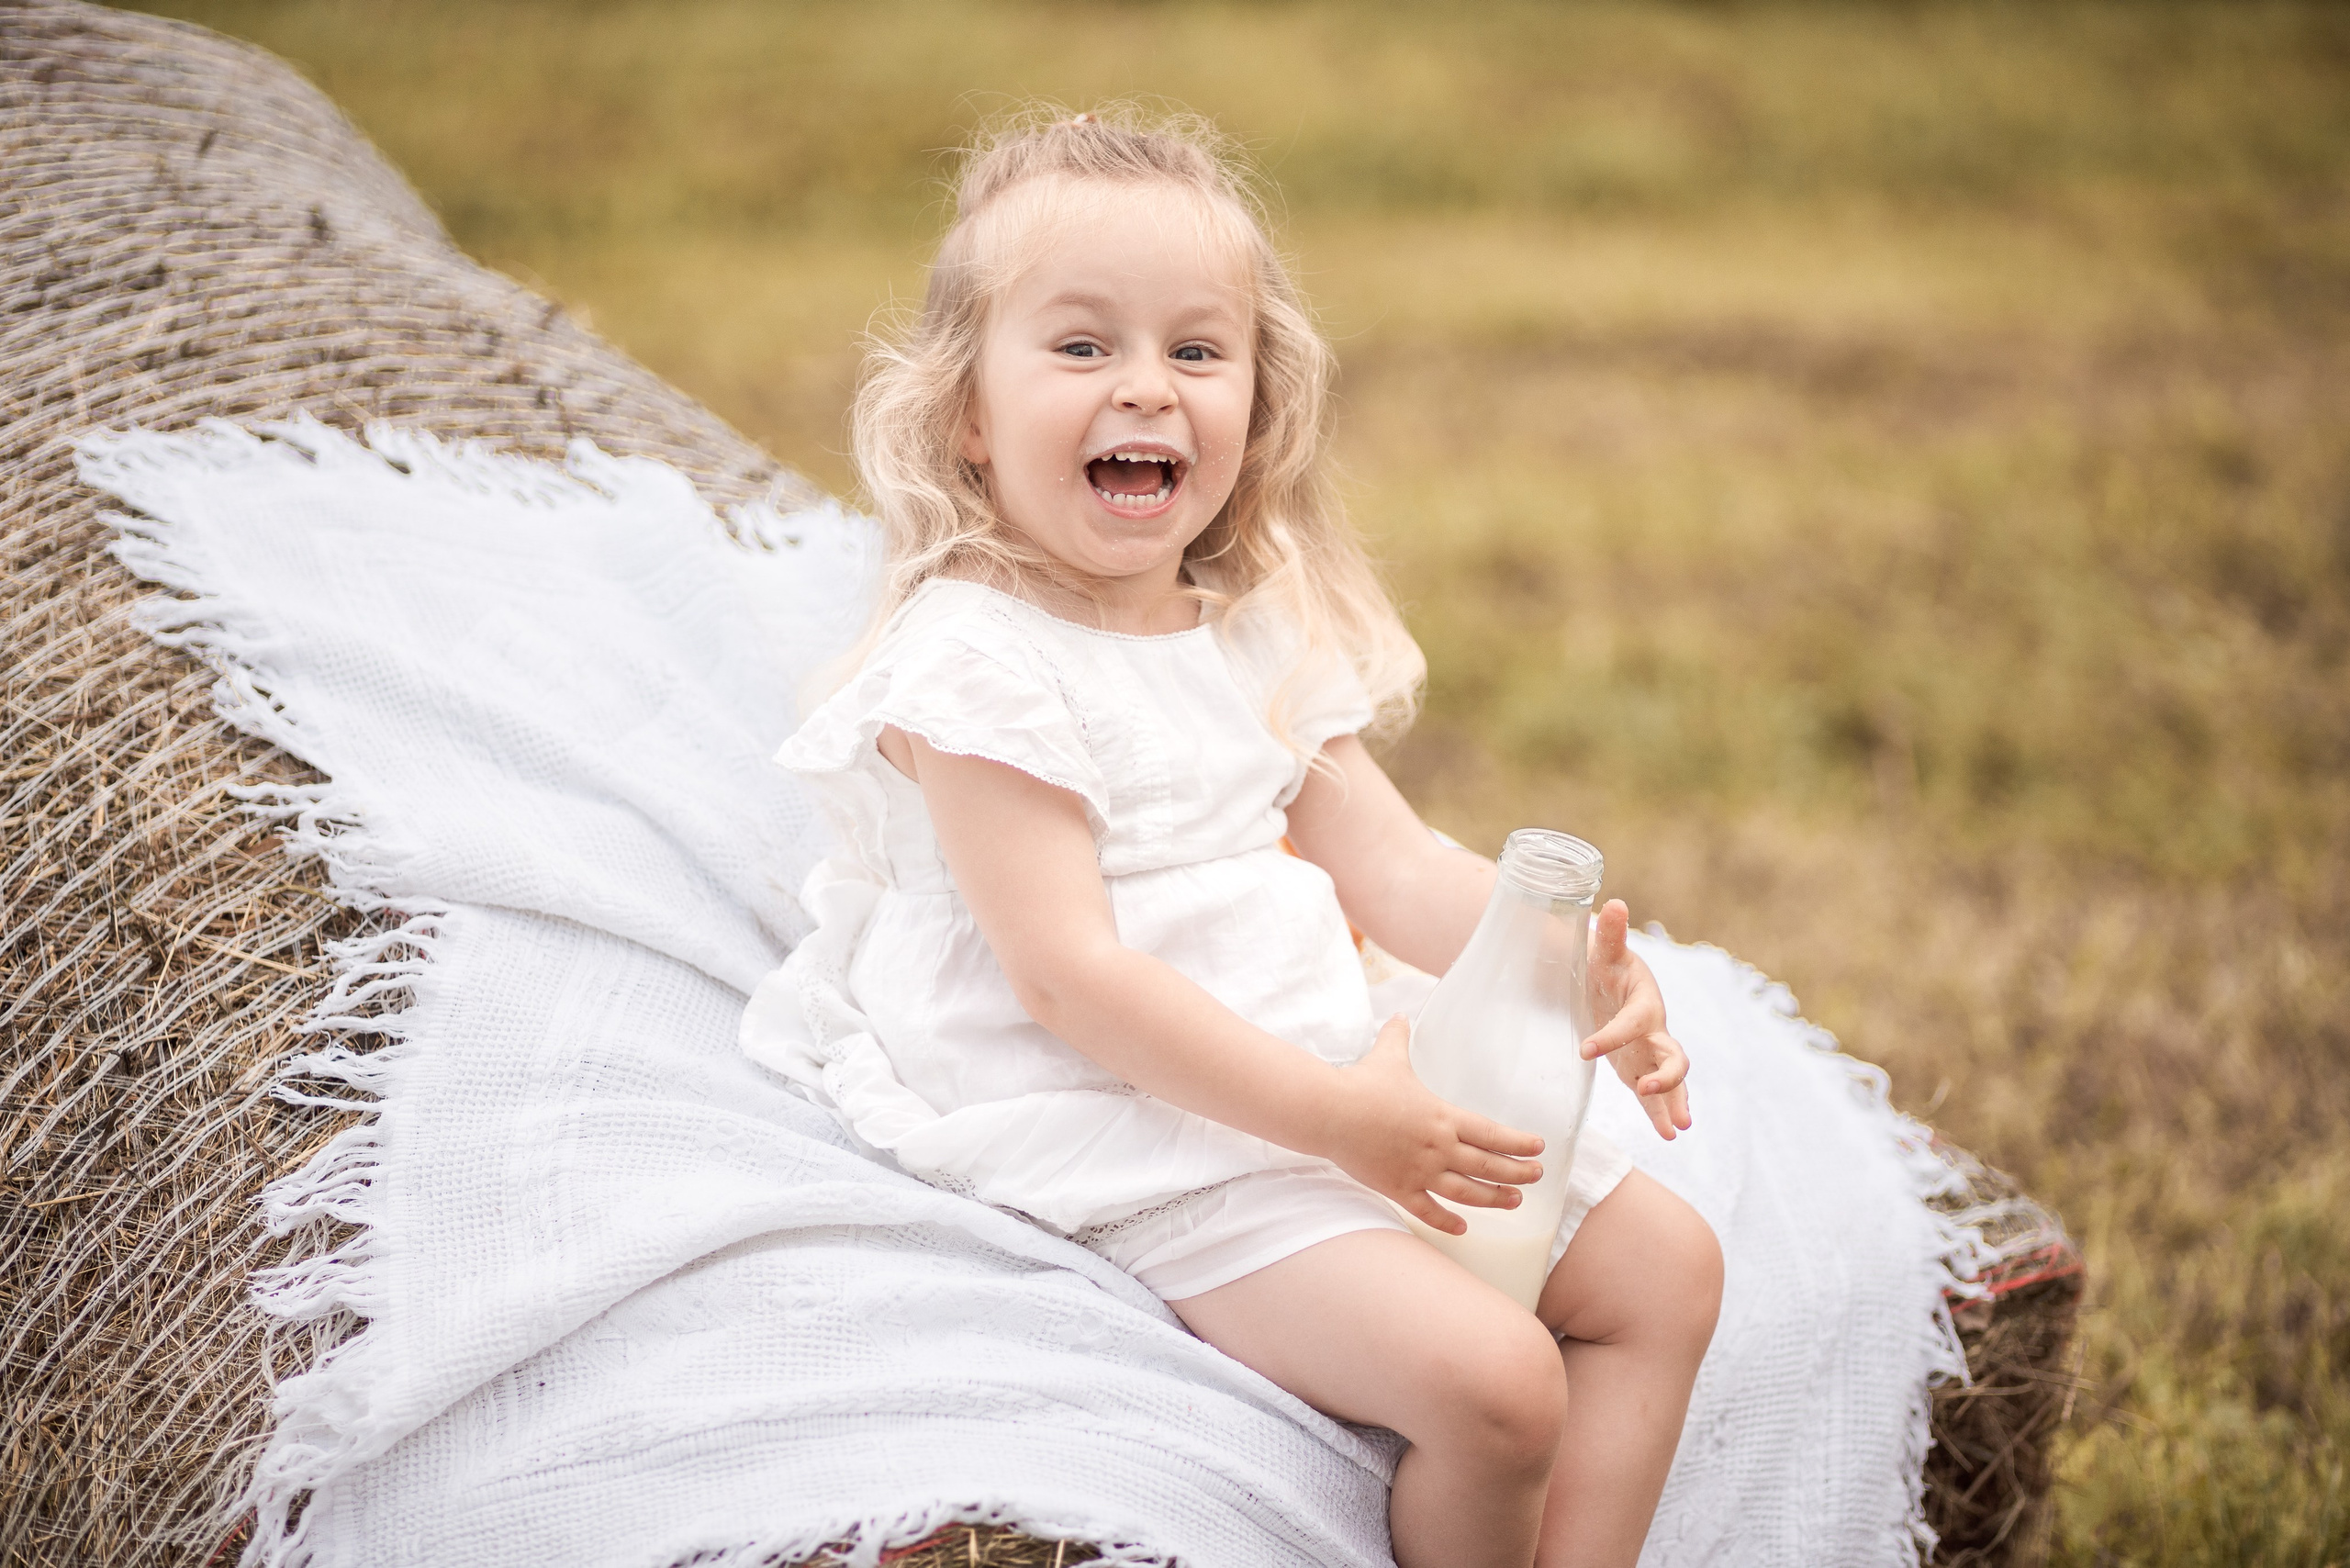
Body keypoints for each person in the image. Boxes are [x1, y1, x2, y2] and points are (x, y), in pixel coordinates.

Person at [740, 106, 1724, 1568]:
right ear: (967, 413)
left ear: (1257, 406)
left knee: (1668, 1272)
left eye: (1197, 352)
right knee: (1500, 1387)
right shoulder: (977, 664)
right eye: (1082, 349)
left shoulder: (1245, 631)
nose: (1147, 390)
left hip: (1311, 1059)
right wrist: (1339, 1129)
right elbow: (1070, 978)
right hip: (1138, 1119)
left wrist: (1567, 967)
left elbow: (1390, 867)